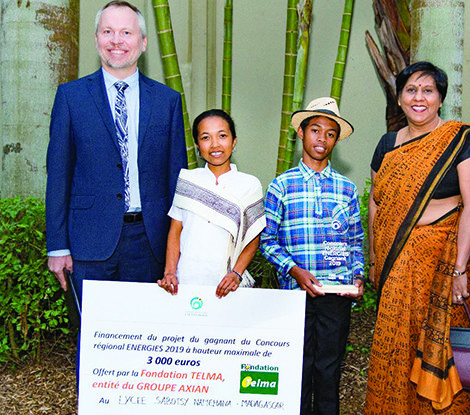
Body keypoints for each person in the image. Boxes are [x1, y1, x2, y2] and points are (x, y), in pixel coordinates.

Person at [365, 61, 470, 414]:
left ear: (440, 99)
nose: (418, 98)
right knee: (394, 344)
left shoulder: (463, 141)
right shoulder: (388, 143)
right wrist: (376, 258)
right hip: (396, 264)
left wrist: (460, 269)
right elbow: (379, 203)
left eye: (428, 91)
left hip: (443, 265)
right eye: (411, 90)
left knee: (442, 343)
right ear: (400, 98)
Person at [46, 1, 187, 299]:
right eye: (107, 31)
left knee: (147, 336)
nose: (116, 41)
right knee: (92, 339)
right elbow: (58, 175)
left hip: (151, 243)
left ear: (143, 42)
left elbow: (177, 181)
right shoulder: (70, 97)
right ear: (96, 38)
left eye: (126, 32)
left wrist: (178, 250)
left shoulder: (168, 101)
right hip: (88, 243)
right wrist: (58, 246)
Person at [260, 97, 365, 415]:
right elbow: (268, 241)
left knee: (329, 369)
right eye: (315, 130)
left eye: (330, 133)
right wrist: (294, 271)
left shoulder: (345, 189)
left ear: (336, 140)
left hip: (336, 295)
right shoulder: (282, 186)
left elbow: (354, 242)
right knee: (298, 368)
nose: (322, 138)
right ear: (301, 134)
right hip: (296, 295)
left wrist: (357, 275)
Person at [157, 109, 265, 298]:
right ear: (198, 145)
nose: (215, 144)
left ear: (234, 140)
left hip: (227, 285)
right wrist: (170, 272)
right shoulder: (188, 180)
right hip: (185, 281)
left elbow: (253, 239)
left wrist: (236, 274)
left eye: (222, 136)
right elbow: (175, 231)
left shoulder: (250, 185)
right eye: (206, 138)